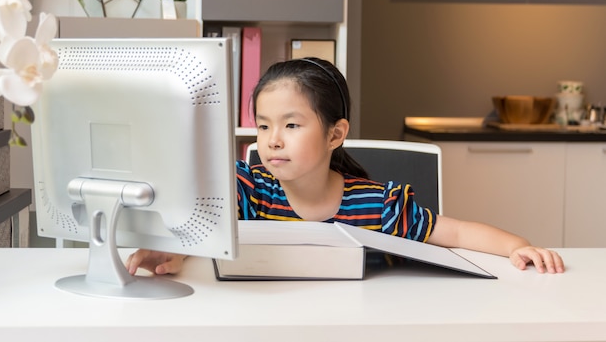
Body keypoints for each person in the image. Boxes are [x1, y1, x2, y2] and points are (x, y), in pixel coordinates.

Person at [127, 57, 564, 276]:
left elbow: (456, 233)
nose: (272, 139)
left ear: (336, 134)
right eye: (263, 125)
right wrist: (174, 250)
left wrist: (516, 248)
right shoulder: (246, 190)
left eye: (292, 124)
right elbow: (200, 228)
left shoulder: (379, 206)